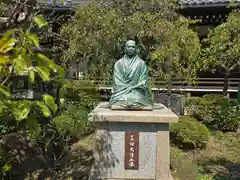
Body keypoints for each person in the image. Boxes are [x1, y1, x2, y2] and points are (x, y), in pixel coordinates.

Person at [109, 40, 153, 110]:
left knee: (136, 99)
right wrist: (127, 89)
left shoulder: (141, 64)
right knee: (122, 99)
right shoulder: (118, 64)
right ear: (125, 49)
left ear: (136, 49)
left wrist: (134, 88)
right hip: (122, 92)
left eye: (133, 47)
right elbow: (117, 82)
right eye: (129, 47)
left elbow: (143, 81)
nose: (131, 48)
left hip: (137, 91)